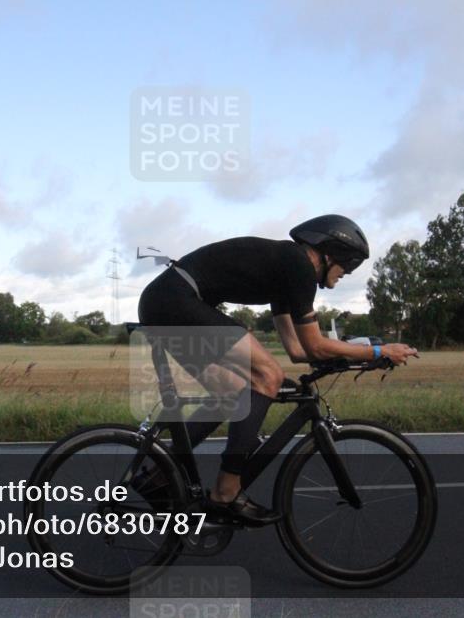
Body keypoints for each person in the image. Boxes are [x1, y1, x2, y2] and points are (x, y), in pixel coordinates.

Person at [135, 214, 418, 525]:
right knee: (266, 375)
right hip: (175, 300)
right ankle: (226, 493)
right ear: (330, 254)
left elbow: (297, 351)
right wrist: (377, 350)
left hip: (165, 300)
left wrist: (353, 358)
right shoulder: (297, 265)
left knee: (232, 390)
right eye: (348, 266)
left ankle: (160, 472)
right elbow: (314, 347)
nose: (345, 275)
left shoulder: (286, 270)